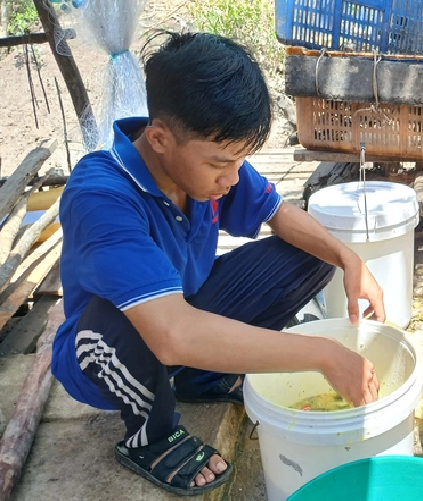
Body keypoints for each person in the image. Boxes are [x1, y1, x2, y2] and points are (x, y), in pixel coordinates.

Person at [51, 31, 385, 496]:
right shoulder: (101, 195)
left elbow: (279, 214)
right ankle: (151, 436)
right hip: (107, 351)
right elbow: (171, 334)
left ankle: (200, 376)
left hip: (181, 312)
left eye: (241, 160)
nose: (232, 178)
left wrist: (350, 260)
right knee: (126, 317)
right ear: (160, 138)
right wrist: (324, 355)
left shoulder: (204, 164)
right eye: (221, 164)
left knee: (311, 255)